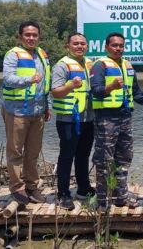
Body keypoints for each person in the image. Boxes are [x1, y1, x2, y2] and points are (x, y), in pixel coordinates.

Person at [90, 32, 143, 209]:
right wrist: (111, 86)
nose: (118, 48)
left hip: (125, 118)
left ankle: (121, 196)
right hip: (106, 119)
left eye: (121, 45)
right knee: (105, 160)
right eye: (114, 45)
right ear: (106, 47)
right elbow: (96, 91)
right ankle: (103, 200)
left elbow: (136, 93)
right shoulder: (99, 65)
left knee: (124, 158)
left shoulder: (128, 65)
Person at [2, 20, 51, 205]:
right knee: (15, 151)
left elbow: (45, 83)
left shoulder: (42, 55)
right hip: (16, 110)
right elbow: (7, 78)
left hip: (37, 110)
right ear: (20, 36)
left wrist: (47, 106)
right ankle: (17, 188)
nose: (31, 38)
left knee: (33, 152)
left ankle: (32, 186)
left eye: (34, 35)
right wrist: (28, 80)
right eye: (27, 35)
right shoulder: (13, 54)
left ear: (39, 37)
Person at [51, 32, 95, 210]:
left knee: (84, 155)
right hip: (68, 119)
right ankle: (63, 193)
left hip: (88, 118)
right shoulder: (62, 66)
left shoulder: (90, 64)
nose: (79, 46)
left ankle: (83, 188)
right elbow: (55, 91)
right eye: (75, 44)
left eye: (83, 44)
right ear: (67, 46)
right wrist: (70, 85)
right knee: (67, 155)